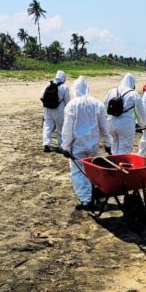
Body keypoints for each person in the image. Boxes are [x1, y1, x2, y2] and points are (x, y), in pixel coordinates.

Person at [61, 76, 112, 209]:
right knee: (90, 170)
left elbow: (67, 128)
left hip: (77, 144)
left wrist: (65, 146)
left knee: (78, 172)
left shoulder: (72, 105)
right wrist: (108, 143)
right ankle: (90, 194)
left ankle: (86, 200)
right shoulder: (97, 104)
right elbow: (104, 126)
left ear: (75, 89)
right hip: (92, 144)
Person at [103, 73, 146, 154]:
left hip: (111, 123)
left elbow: (105, 106)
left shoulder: (112, 91)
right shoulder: (133, 93)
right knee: (125, 150)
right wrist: (142, 124)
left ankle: (114, 165)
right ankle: (122, 166)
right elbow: (140, 112)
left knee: (114, 148)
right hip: (126, 124)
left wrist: (108, 119)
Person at [40, 70, 70, 152]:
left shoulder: (48, 83)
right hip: (58, 110)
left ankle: (46, 144)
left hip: (47, 108)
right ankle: (61, 146)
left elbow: (41, 96)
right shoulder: (64, 87)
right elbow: (67, 101)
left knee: (47, 126)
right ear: (63, 78)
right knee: (61, 128)